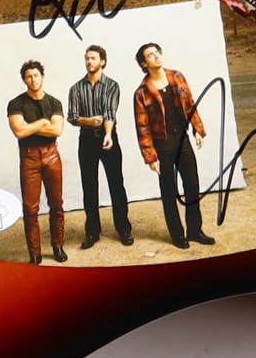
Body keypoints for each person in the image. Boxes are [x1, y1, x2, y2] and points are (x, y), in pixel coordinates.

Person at [131, 42, 214, 249]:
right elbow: (142, 128)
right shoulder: (141, 93)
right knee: (169, 190)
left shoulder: (177, 76)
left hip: (182, 139)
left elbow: (190, 103)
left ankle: (195, 231)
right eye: (150, 55)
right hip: (163, 144)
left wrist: (198, 129)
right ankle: (177, 234)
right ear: (144, 63)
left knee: (192, 184)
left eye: (157, 52)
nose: (156, 56)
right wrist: (151, 157)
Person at [66, 44, 134, 249]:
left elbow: (110, 112)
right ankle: (92, 232)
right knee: (89, 186)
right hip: (86, 140)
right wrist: (88, 121)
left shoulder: (112, 85)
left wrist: (108, 134)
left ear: (102, 61)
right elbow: (72, 117)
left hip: (108, 137)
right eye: (87, 58)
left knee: (116, 184)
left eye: (93, 58)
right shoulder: (76, 88)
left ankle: (123, 229)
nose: (89, 61)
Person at [6, 59, 68, 264]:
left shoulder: (54, 103)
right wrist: (42, 122)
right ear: (24, 80)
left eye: (36, 75)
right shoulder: (16, 104)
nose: (33, 80)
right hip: (29, 157)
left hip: (52, 155)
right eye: (29, 77)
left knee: (56, 204)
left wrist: (30, 127)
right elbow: (19, 131)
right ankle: (35, 253)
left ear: (42, 77)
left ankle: (58, 246)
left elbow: (57, 129)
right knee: (30, 208)